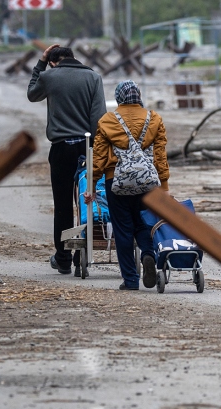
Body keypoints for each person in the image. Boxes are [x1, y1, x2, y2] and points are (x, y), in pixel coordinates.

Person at [27, 44, 107, 276]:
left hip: (61, 149)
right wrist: (97, 151)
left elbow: (32, 94)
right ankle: (82, 250)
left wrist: (41, 63)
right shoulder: (93, 77)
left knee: (63, 206)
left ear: (53, 61)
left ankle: (63, 258)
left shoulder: (50, 76)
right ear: (73, 58)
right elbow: (98, 117)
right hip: (87, 149)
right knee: (86, 201)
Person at [86, 80, 169, 290]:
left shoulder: (108, 121)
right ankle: (148, 255)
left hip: (117, 181)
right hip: (147, 182)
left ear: (118, 98)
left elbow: (99, 158)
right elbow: (160, 156)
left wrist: (92, 185)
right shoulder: (154, 119)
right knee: (142, 224)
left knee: (123, 229)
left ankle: (131, 280)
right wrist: (164, 187)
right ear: (139, 96)